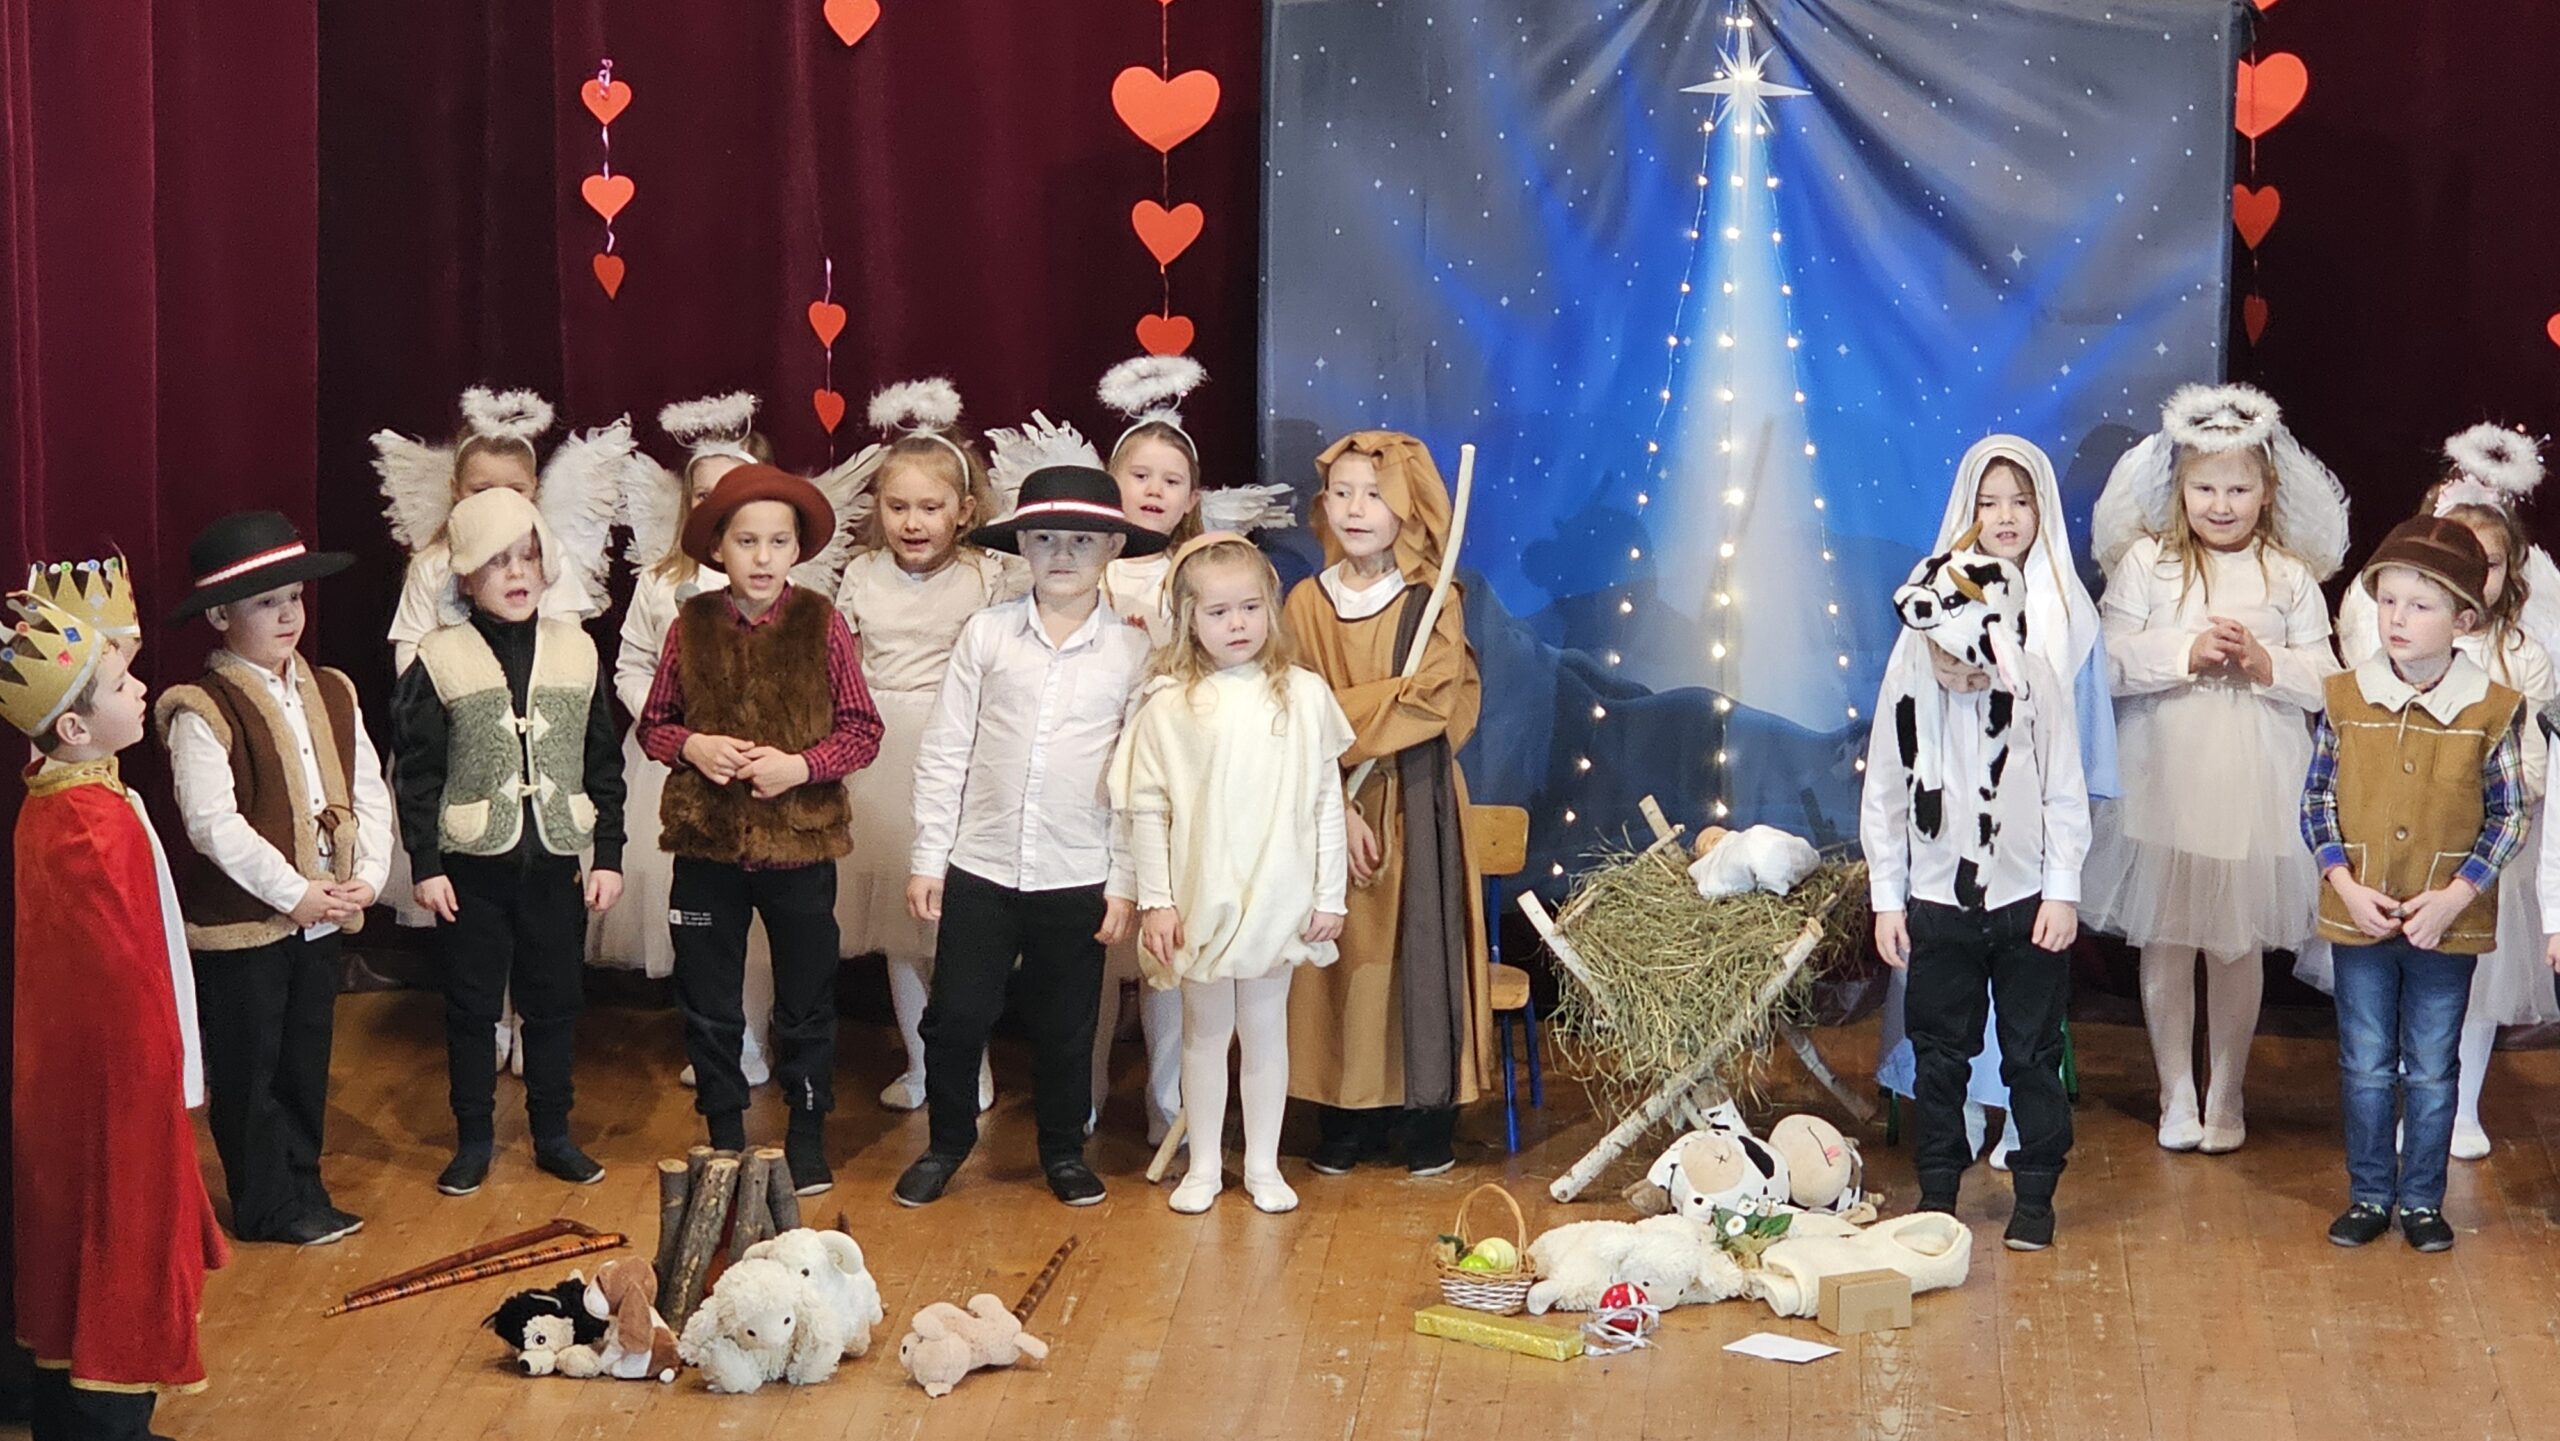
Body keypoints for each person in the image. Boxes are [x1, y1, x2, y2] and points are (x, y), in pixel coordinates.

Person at [2082, 383, 2347, 1154]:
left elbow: (2331, 681)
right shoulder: (2148, 564)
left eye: (2237, 489)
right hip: (2164, 772)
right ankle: (2176, 1090)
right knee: (2167, 939)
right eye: (2205, 488)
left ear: (2267, 492)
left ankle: (2227, 1093)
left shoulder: (2288, 575)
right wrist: (2184, 652)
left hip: (2254, 780)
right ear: (2181, 489)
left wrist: (2266, 663)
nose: (2221, 504)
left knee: (2235, 944)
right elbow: (2105, 664)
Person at [894, 464, 1158, 1208]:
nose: (1062, 554)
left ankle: (1063, 1150)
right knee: (956, 1016)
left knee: (1067, 1024)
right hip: (980, 863)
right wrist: (929, 856)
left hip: (1077, 869)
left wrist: (1124, 879)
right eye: (1044, 538)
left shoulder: (1131, 652)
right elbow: (947, 747)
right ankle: (947, 1142)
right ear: (1022, 546)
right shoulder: (987, 634)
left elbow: (1136, 778)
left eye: (1082, 540)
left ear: (1113, 548)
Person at [8, 571, 229, 1441]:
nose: (140, 687)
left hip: (79, 1081)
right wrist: (163, 1087)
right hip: (116, 1089)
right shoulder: (90, 827)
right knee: (122, 1235)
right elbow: (124, 980)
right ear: (73, 726)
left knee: (76, 1233)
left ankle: (77, 1416)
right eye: (119, 681)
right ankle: (110, 1422)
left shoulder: (64, 801)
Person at [2300, 425, 2558, 1159]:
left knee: (2462, 1006)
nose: (2402, 616)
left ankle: (2451, 1128)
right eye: (2394, 602)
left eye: (2492, 563)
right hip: (2379, 862)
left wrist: (2470, 841)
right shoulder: (2372, 669)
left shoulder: (2515, 664)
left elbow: (2525, 771)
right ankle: (2378, 1165)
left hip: (2470, 860)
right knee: (2374, 1033)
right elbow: (2330, 781)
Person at [635, 463, 882, 1196]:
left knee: (806, 997)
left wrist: (801, 767)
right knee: (708, 997)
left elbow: (862, 729)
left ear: (798, 549)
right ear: (718, 548)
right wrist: (693, 747)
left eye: (779, 542)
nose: (764, 557)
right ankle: (724, 1132)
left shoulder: (821, 624)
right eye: (747, 541)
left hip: (799, 845)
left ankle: (805, 1131)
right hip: (707, 844)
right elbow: (655, 725)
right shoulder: (689, 627)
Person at [1873, 437, 2117, 1172]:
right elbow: (1893, 761)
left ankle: (2023, 1129)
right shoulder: (1933, 603)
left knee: (2026, 1019)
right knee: (1947, 1015)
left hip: (2028, 857)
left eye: (2020, 500)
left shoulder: (2065, 611)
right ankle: (1959, 1123)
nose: (2006, 517)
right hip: (1943, 869)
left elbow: (2074, 754)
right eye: (1988, 502)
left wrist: (2061, 869)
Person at [155, 513, 391, 1246]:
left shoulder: (332, 690)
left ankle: (304, 1188)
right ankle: (266, 1205)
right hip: (247, 925)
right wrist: (294, 892)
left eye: (293, 597)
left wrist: (368, 875)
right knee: (251, 1065)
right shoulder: (204, 708)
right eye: (265, 602)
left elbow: (367, 788)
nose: (289, 614)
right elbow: (212, 823)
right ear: (220, 616)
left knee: (304, 1057)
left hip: (323, 914)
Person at [392, 487, 627, 1195]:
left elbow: (602, 759)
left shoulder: (577, 651)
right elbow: (418, 772)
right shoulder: (439, 657)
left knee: (554, 1002)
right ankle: (473, 1138)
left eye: (527, 556)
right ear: (466, 576)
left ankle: (553, 1132)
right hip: (471, 869)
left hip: (554, 863)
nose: (517, 572)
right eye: (497, 561)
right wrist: (426, 864)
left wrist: (608, 853)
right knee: (471, 1005)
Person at [2303, 517, 2526, 1254]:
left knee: (2432, 1067)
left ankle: (2424, 1200)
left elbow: (2509, 815)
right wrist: (2344, 883)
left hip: (2444, 923)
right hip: (2361, 914)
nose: (2397, 618)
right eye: (2389, 601)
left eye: (2420, 605)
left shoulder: (2491, 708)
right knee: (2364, 1063)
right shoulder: (2344, 697)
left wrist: (2456, 896)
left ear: (2464, 620)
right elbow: (2317, 801)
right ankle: (2370, 1192)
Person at [1113, 534, 1353, 1214]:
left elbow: (1325, 801)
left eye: (1250, 607)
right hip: (1202, 899)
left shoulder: (1303, 695)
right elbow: (1148, 810)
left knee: (1266, 1032)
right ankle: (1203, 1166)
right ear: (1189, 618)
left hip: (1278, 896)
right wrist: (1157, 901)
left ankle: (1264, 1165)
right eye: (1218, 612)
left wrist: (1329, 894)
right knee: (1204, 1035)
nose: (1238, 624)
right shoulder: (1169, 706)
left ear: (1270, 608)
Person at [1861, 543, 2088, 1250]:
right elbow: (1885, 795)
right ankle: (1937, 1191)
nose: (1960, 675)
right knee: (1938, 1056)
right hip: (1938, 904)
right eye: (1947, 660)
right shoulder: (1907, 684)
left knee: (2031, 1055)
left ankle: (2036, 1193)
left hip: (2025, 903)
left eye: (1973, 663)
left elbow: (2063, 791)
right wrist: (1888, 898)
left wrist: (2062, 891)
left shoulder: (2035, 682)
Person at [1284, 431, 1494, 1177]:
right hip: (1327, 805)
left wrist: (1333, 714)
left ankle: (1423, 1114)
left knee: (1412, 953)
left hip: (1415, 802)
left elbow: (1433, 701)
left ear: (1408, 507)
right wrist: (1334, 806)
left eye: (1374, 495)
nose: (1355, 508)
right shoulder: (1305, 604)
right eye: (1342, 493)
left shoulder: (1432, 602)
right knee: (1338, 962)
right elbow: (1292, 704)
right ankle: (1343, 1114)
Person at [834, 378, 1014, 1114]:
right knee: (897, 926)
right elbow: (846, 668)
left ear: (964, 510)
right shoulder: (861, 574)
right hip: (879, 757)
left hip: (959, 751)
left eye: (931, 507)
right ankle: (921, 1063)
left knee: (957, 928)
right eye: (898, 506)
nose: (913, 522)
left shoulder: (986, 575)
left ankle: (968, 1064)